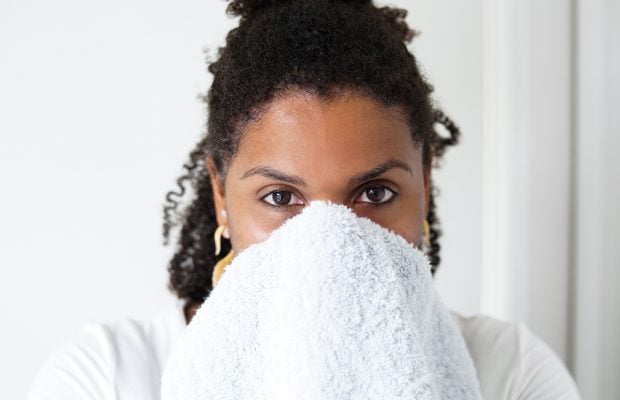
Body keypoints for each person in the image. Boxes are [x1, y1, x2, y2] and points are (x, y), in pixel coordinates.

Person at [28, 0, 582, 398]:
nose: (330, 241)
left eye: (375, 192)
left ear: (425, 182)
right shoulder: (107, 377)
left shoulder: (511, 373)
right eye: (280, 196)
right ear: (222, 195)